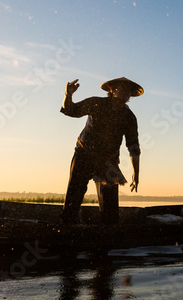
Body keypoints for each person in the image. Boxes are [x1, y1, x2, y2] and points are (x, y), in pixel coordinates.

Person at [60, 76, 142, 225]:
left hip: (107, 161)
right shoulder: (96, 103)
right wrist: (69, 94)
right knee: (74, 197)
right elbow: (70, 110)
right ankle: (66, 227)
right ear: (112, 90)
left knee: (110, 210)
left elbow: (133, 146)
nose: (125, 92)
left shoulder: (129, 117)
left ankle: (107, 235)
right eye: (122, 88)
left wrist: (136, 172)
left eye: (128, 90)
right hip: (84, 155)